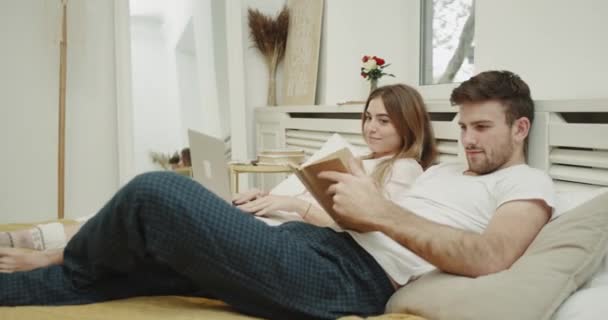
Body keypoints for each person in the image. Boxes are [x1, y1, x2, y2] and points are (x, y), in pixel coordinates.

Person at [0, 71, 555, 320]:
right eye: (462, 126)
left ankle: (62, 257)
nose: (468, 139)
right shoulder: (446, 171)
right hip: (315, 245)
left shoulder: (528, 185)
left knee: (157, 192)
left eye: (481, 128)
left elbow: (492, 257)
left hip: (351, 279)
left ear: (521, 129)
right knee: (139, 266)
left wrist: (381, 213)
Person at [0, 84, 436, 272]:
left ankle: (53, 253)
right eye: (367, 117)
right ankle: (40, 238)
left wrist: (291, 205)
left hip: (285, 238)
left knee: (156, 215)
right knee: (140, 212)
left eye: (384, 120)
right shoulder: (355, 155)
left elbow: (362, 227)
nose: (371, 128)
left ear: (409, 125)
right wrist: (270, 196)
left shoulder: (404, 169)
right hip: (271, 221)